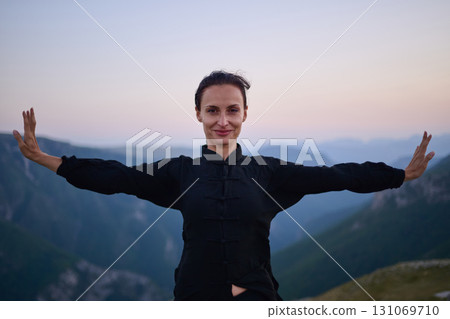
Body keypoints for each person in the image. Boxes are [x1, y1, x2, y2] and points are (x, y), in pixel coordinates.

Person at [13, 70, 435, 301]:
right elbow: (116, 176)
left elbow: (340, 175)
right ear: (198, 114)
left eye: (232, 110)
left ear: (245, 113)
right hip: (195, 297)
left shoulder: (272, 172)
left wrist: (399, 175)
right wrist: (47, 159)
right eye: (212, 110)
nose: (222, 120)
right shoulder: (178, 171)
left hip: (257, 297)